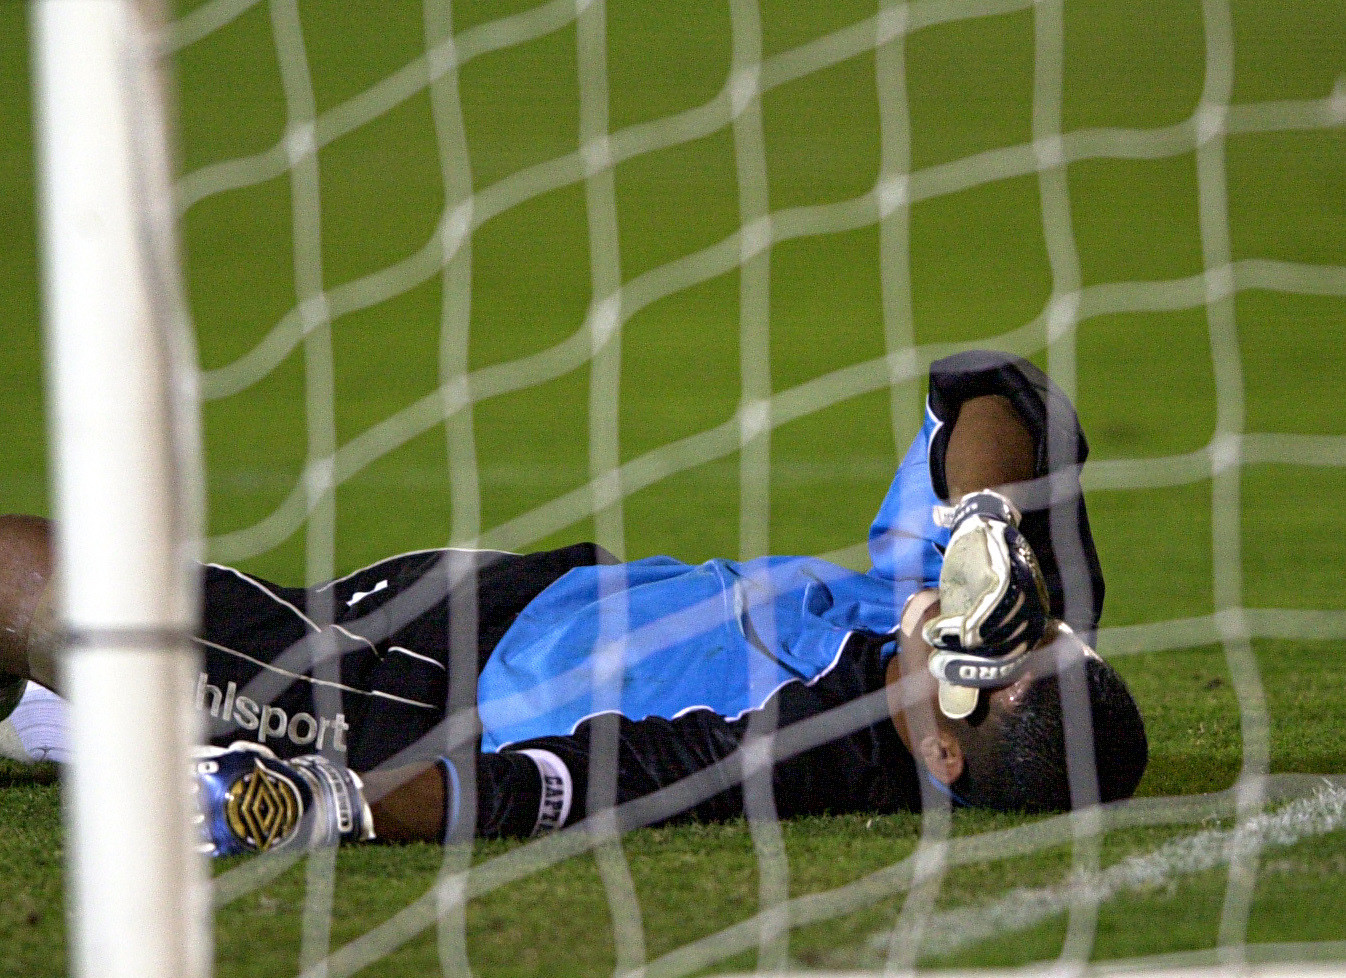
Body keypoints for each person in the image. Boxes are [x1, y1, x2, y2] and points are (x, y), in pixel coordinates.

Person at [0, 351, 1147, 854]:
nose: (970, 624)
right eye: (1018, 625)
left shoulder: (809, 757)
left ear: (941, 756)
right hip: (517, 595)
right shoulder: (974, 592)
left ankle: (71, 723)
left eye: (978, 663)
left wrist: (331, 806)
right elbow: (1001, 390)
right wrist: (986, 525)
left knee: (42, 592)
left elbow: (540, 791)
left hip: (411, 700)